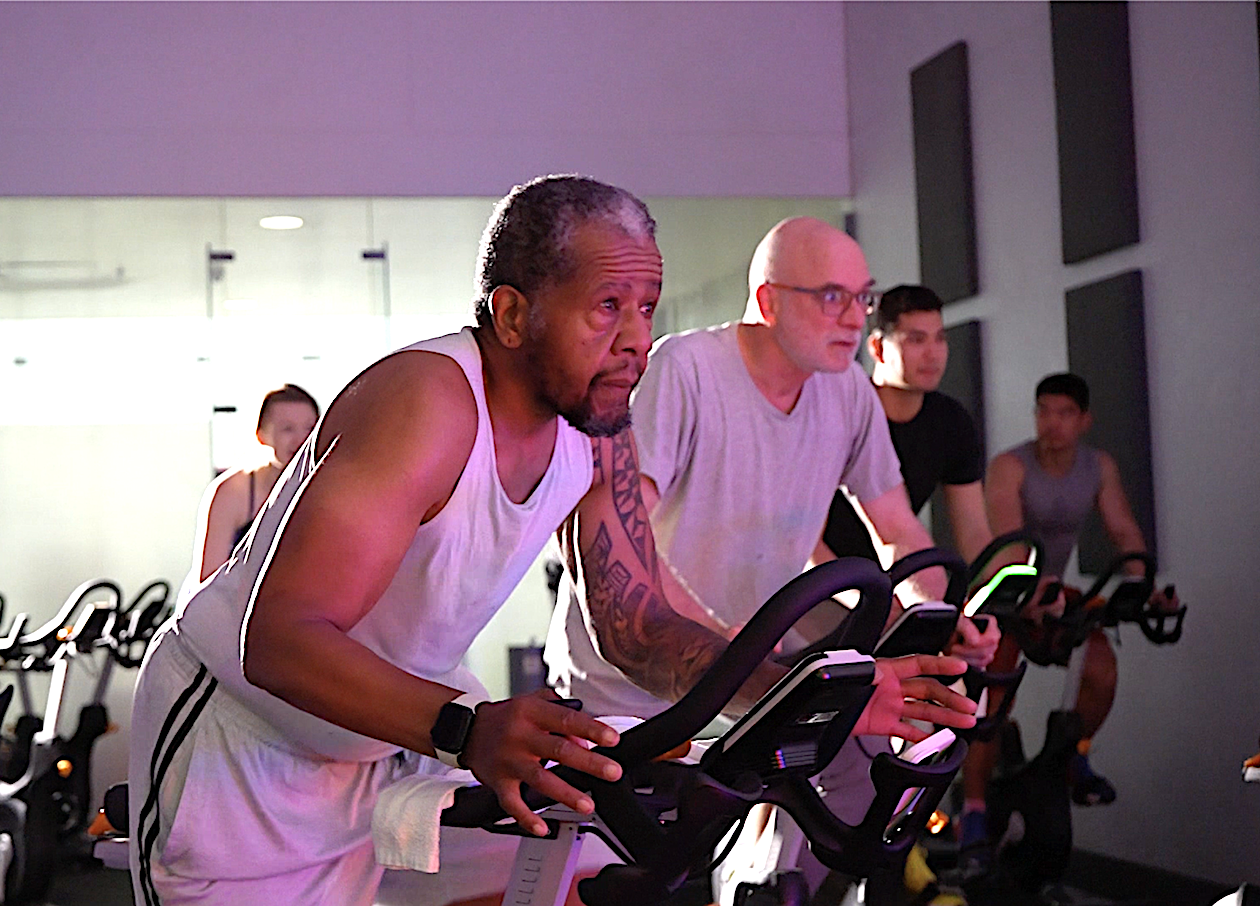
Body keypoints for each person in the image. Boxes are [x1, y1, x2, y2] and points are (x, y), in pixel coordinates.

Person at [128, 178, 975, 906]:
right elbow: (276, 640)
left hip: (378, 742)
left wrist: (797, 693)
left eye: (646, 307)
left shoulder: (596, 431)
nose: (637, 338)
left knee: (589, 866)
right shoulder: (427, 404)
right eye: (607, 307)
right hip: (242, 750)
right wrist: (464, 728)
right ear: (512, 313)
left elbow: (637, 622)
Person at [547, 217, 998, 896]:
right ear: (768, 302)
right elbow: (623, 528)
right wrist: (718, 650)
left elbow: (898, 529)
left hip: (758, 675)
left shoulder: (845, 389)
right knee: (641, 878)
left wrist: (936, 612)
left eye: (861, 298)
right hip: (636, 686)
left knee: (862, 776)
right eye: (831, 297)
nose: (853, 318)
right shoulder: (687, 370)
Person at [955, 373, 1180, 869]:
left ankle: (1075, 753)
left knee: (1101, 670)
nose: (1050, 424)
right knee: (991, 705)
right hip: (1002, 590)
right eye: (1043, 412)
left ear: (1084, 420)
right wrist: (1033, 590)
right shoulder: (1009, 466)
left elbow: (1123, 530)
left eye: (1062, 413)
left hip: (1053, 591)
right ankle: (971, 812)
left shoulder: (1097, 467)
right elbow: (1012, 547)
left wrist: (1140, 584)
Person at [822, 284, 992, 563]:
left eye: (940, 339)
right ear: (877, 348)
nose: (933, 353)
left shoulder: (951, 423)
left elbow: (974, 533)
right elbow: (801, 543)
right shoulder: (837, 413)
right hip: (814, 584)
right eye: (916, 340)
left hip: (890, 580)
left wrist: (1016, 584)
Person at [193, 383, 320, 580]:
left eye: (310, 429)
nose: (301, 440)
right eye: (287, 429)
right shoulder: (232, 492)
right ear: (261, 435)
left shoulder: (329, 489)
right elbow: (207, 580)